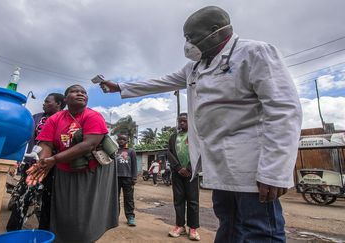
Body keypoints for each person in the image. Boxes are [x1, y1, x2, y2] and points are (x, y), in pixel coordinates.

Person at [100, 6, 302, 242]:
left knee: (259, 231)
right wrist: (121, 87)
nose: (187, 43)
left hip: (253, 167)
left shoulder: (254, 52)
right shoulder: (195, 67)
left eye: (190, 36)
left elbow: (284, 110)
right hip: (220, 166)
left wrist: (274, 171)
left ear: (215, 31)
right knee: (228, 224)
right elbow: (162, 81)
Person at [26, 84, 118, 242]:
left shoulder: (93, 116)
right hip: (64, 171)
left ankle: (87, 237)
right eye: (75, 91)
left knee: (86, 214)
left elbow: (89, 144)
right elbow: (46, 144)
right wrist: (43, 163)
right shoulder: (55, 118)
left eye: (84, 92)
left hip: (91, 172)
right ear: (66, 98)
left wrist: (53, 160)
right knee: (64, 212)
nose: (81, 94)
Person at [6, 93, 65, 231]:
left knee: (48, 199)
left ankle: (45, 230)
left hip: (54, 165)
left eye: (47, 101)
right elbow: (25, 137)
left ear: (59, 104)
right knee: (23, 196)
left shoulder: (65, 119)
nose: (44, 104)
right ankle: (13, 228)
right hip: (32, 163)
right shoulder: (36, 118)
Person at [167, 113, 200, 241]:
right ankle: (180, 226)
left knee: (193, 201)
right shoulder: (173, 137)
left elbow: (198, 152)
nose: (182, 123)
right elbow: (169, 152)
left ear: (189, 122)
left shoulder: (194, 136)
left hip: (191, 173)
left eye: (184, 121)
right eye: (180, 121)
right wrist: (178, 168)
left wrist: (189, 168)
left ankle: (193, 228)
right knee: (178, 200)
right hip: (177, 173)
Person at [115, 134, 137, 226]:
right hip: (116, 178)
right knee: (115, 199)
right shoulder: (114, 151)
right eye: (119, 139)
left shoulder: (131, 151)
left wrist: (134, 177)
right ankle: (115, 217)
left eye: (123, 139)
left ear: (127, 141)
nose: (121, 141)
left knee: (129, 199)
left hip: (128, 178)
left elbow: (134, 165)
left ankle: (130, 217)